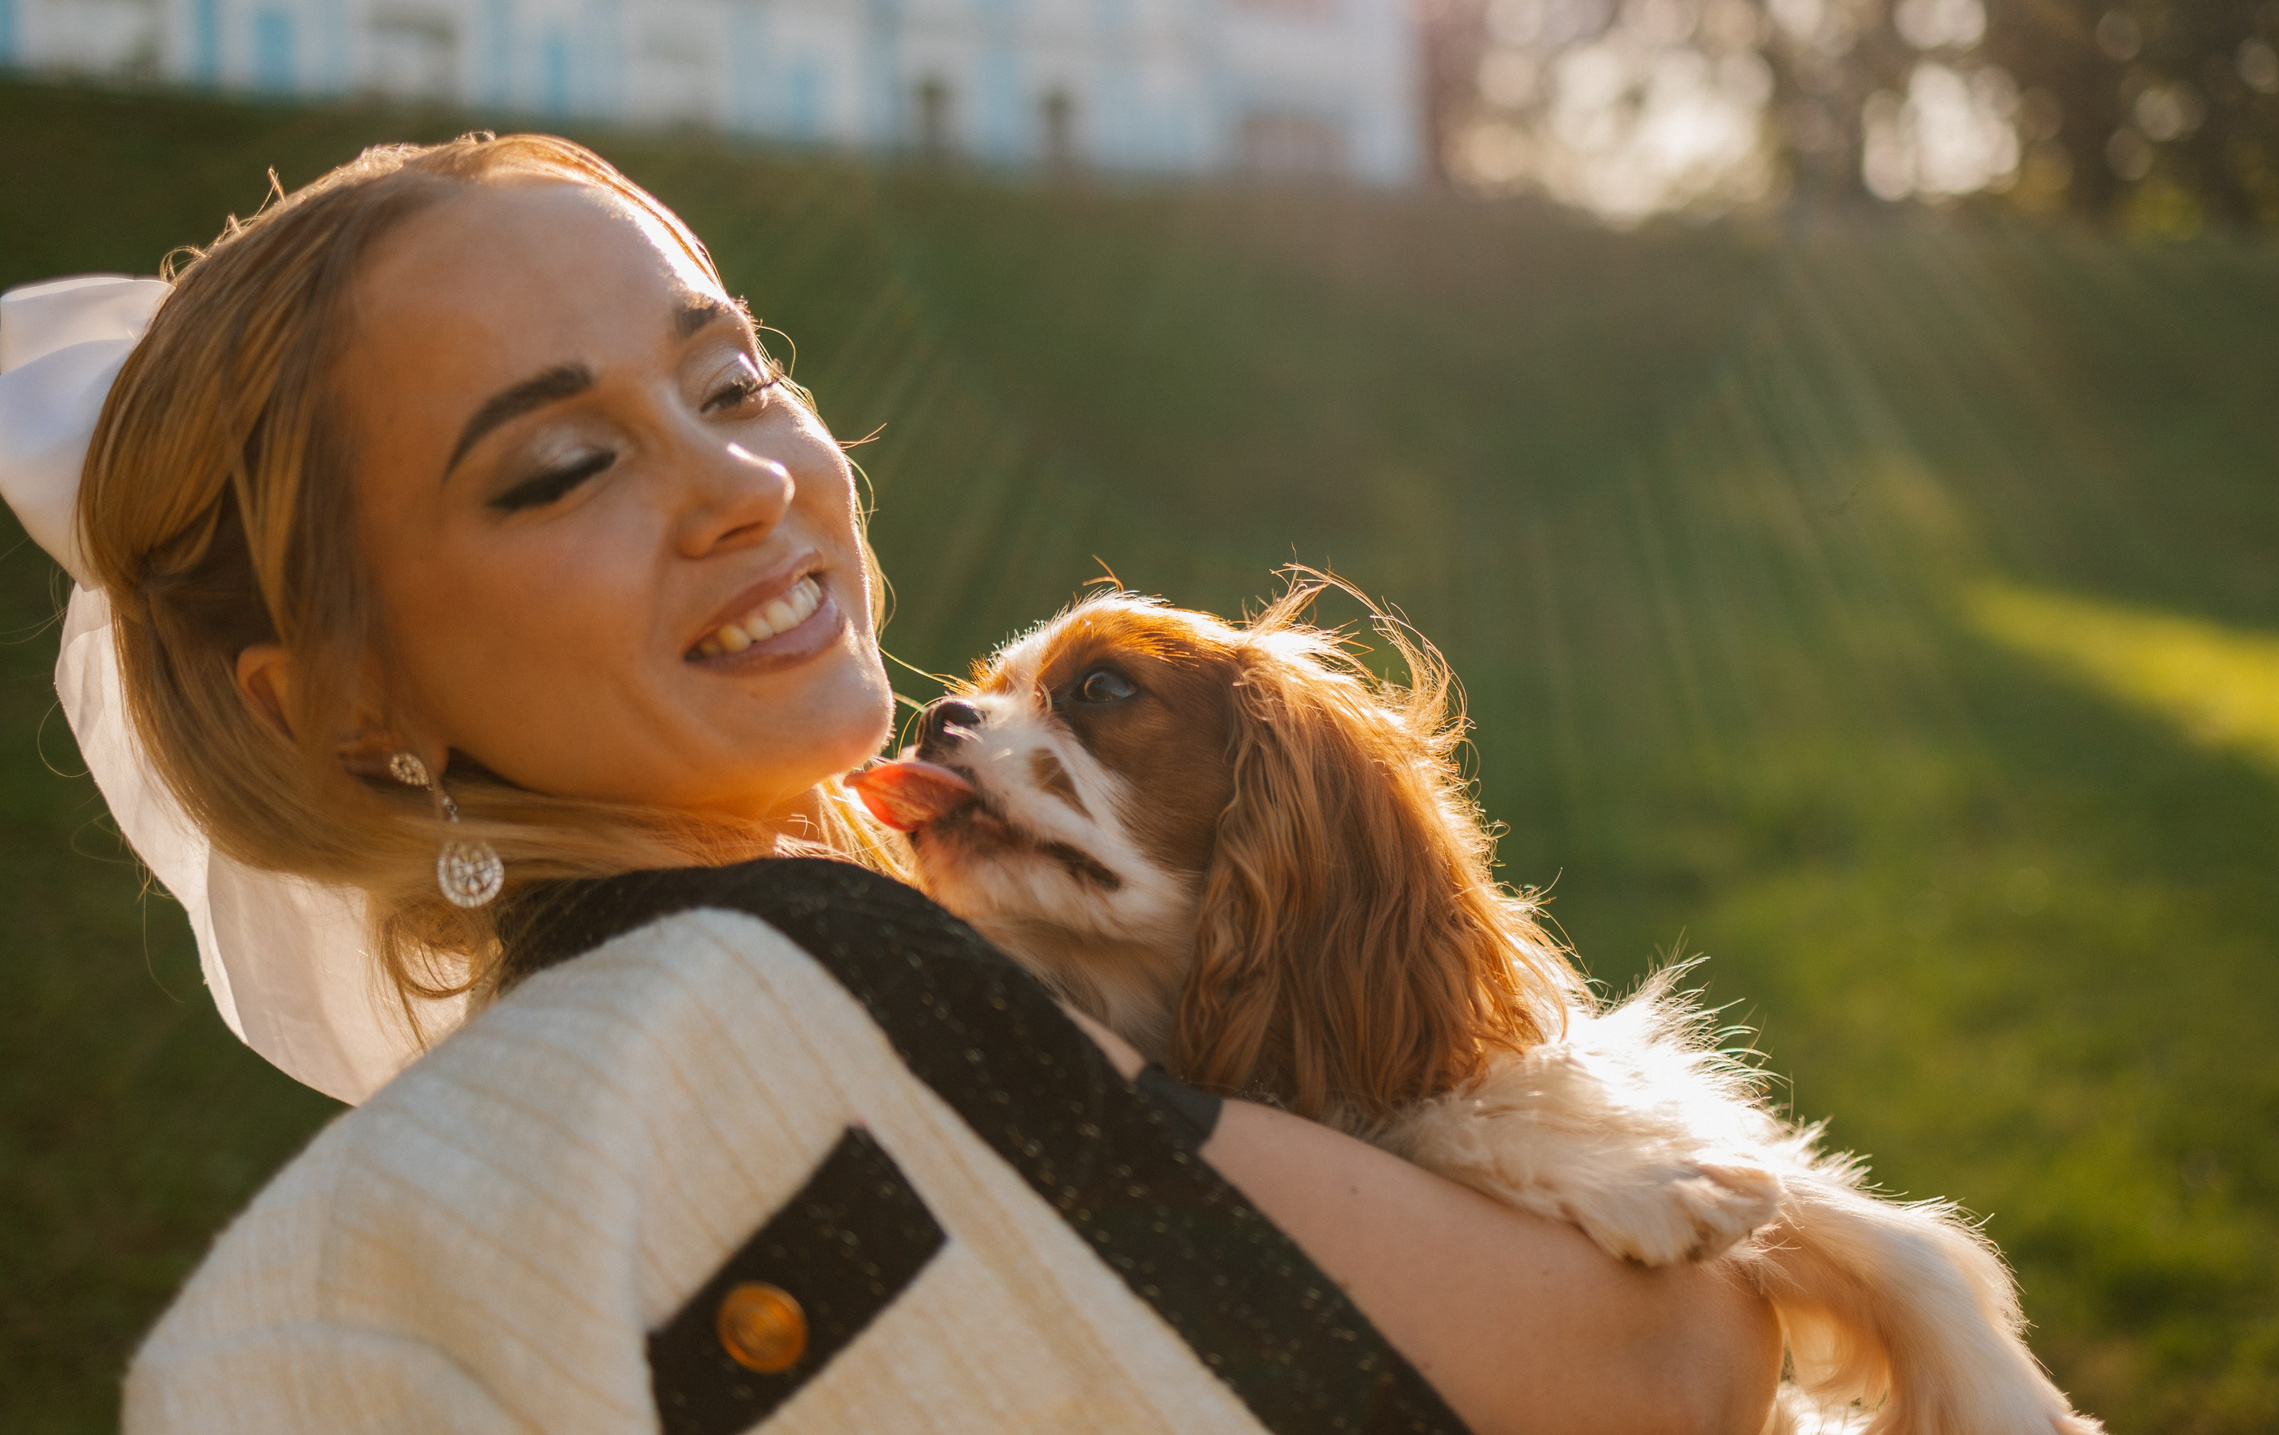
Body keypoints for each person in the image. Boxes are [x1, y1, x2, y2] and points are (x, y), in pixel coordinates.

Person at [0, 135, 1781, 1435]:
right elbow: (1672, 1361)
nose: (741, 484)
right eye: (558, 467)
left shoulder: (603, 1044)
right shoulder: (796, 986)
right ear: (341, 696)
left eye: (732, 374)